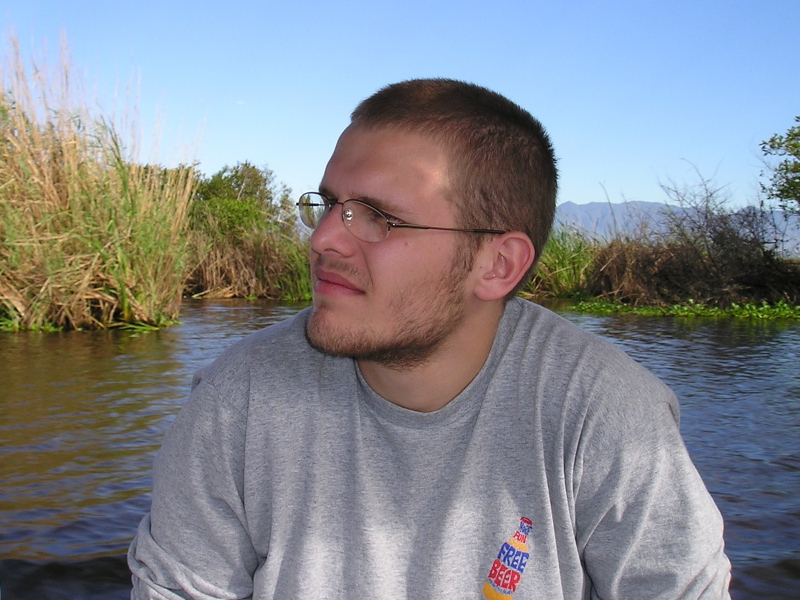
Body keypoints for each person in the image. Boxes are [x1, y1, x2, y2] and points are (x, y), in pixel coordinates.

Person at [128, 78, 731, 599]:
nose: (323, 241)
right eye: (331, 204)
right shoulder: (238, 400)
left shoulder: (605, 415)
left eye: (378, 217)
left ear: (497, 266)